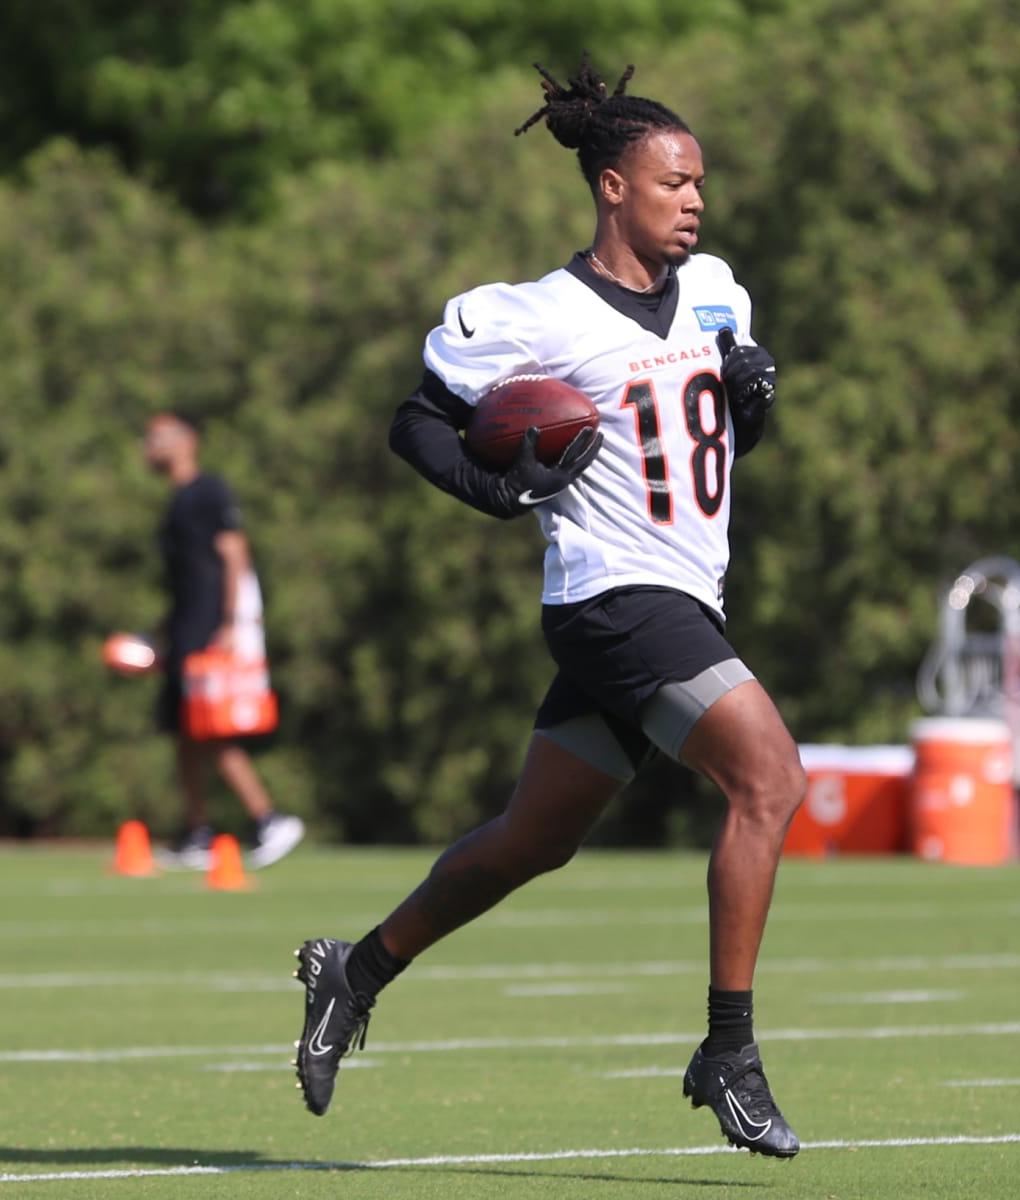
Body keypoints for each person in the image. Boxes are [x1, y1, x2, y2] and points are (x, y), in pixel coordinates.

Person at [289, 56, 806, 1158]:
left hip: (682, 596)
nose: (696, 201)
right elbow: (417, 420)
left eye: (701, 183)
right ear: (613, 187)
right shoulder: (537, 316)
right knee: (771, 780)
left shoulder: (716, 289)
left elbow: (708, 449)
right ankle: (730, 1050)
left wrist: (751, 403)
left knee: (533, 840)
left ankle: (358, 967)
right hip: (615, 599)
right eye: (674, 183)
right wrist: (493, 486)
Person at [142, 410, 305, 870]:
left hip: (210, 628)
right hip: (184, 630)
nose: (150, 447)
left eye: (159, 437)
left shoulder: (207, 491)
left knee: (211, 730)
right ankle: (199, 833)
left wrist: (233, 622)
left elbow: (234, 553)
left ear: (188, 439)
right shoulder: (175, 501)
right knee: (183, 734)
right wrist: (157, 633)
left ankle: (269, 819)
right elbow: (187, 579)